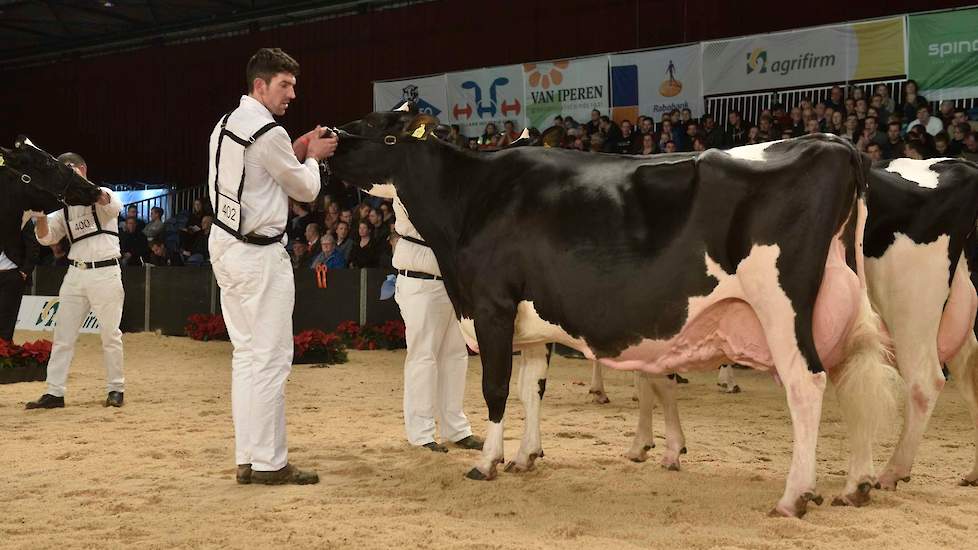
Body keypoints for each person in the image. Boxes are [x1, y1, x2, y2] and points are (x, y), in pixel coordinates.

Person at [207, 47, 336, 485]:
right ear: (259, 85)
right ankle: (269, 463)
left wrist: (296, 146)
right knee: (273, 359)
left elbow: (263, 170)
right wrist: (314, 155)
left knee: (246, 356)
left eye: (294, 86)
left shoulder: (224, 125)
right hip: (260, 254)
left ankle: (248, 456)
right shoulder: (269, 132)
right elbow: (305, 190)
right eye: (284, 85)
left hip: (226, 246)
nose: (292, 94)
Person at [27, 152, 126, 410]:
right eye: (61, 170)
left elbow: (112, 206)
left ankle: (116, 388)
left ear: (83, 168)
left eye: (69, 168)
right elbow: (46, 238)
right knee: (63, 335)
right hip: (75, 274)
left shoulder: (101, 193)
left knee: (110, 334)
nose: (65, 173)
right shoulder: (63, 210)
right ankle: (54, 392)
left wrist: (83, 187)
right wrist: (38, 218)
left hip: (105, 272)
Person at [389, 190, 483, 453]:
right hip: (419, 282)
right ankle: (421, 434)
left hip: (452, 284)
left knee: (455, 356)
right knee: (423, 357)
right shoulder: (406, 189)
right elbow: (436, 224)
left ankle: (457, 429)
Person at [0, 207, 40, 343]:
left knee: (7, 319)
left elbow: (33, 246)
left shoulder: (22, 216)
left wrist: (24, 271)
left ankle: (3, 355)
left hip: (12, 275)